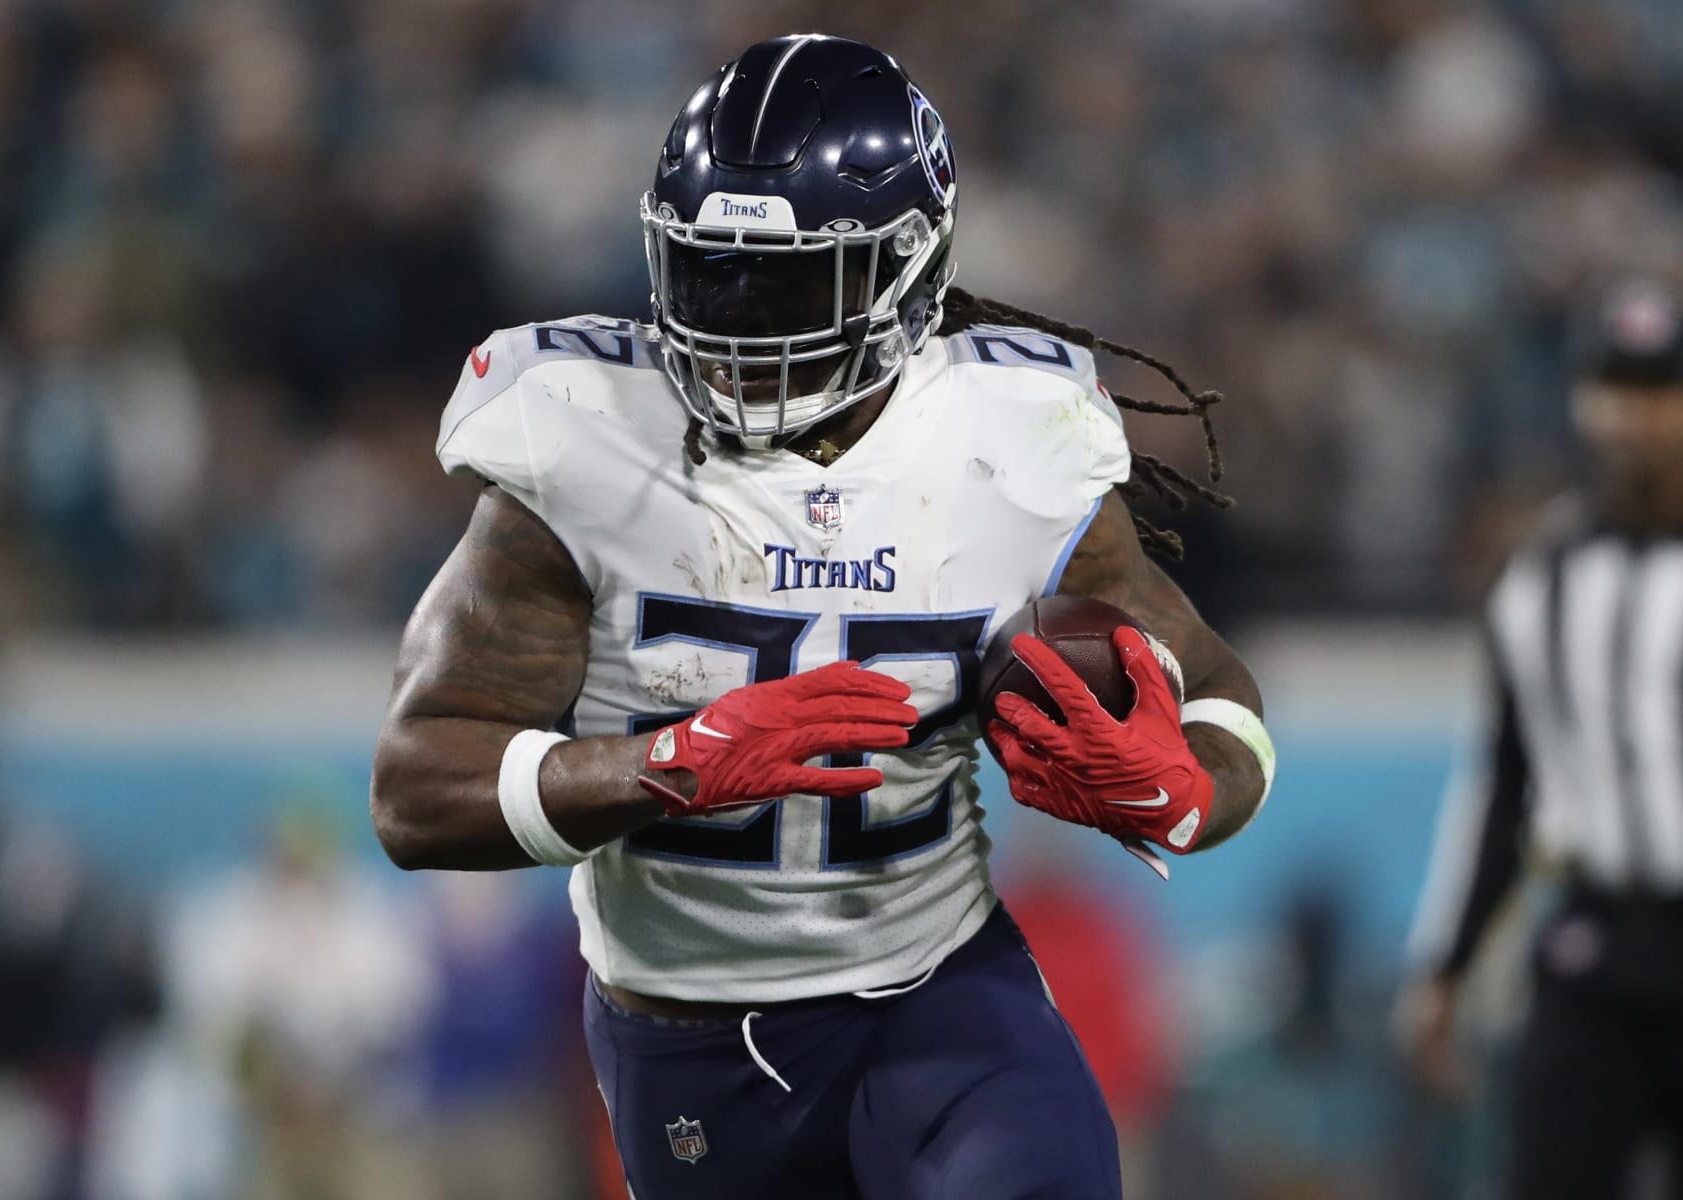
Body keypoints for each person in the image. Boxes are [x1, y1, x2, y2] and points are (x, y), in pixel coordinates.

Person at [371, 34, 1275, 1199]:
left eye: (790, 280)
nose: (740, 321)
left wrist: (1191, 788)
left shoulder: (1008, 437)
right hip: (688, 1046)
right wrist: (668, 767)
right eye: (711, 272)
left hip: (940, 999)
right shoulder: (581, 441)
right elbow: (413, 789)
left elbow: (1213, 687)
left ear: (908, 268)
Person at [1402, 276, 1683, 1199]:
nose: (1637, 419)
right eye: (1618, 390)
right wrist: (1446, 963)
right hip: (1593, 942)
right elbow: (1501, 782)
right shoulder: (1542, 575)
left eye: (1659, 391)